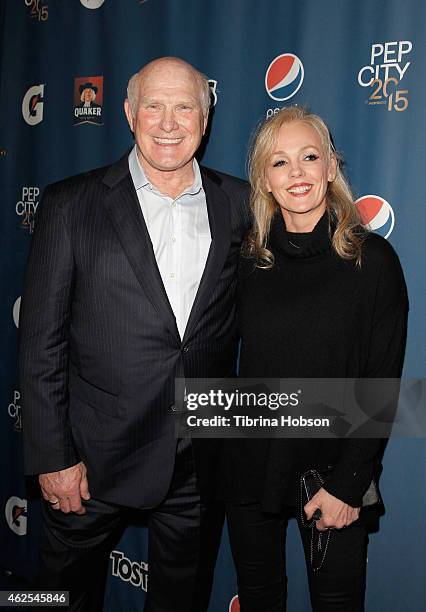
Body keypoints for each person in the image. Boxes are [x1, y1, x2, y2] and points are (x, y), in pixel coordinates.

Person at [19, 56, 250, 612]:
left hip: (197, 461)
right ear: (127, 113)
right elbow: (40, 342)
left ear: (206, 115)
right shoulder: (70, 203)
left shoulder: (242, 203)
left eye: (184, 107)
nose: (168, 123)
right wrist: (53, 456)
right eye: (154, 105)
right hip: (91, 460)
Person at [223, 106, 408, 611]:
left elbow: (381, 382)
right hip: (252, 462)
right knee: (259, 599)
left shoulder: (373, 262)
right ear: (264, 178)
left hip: (333, 471)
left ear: (331, 167)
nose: (297, 172)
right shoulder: (246, 259)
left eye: (309, 156)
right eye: (280, 163)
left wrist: (350, 485)